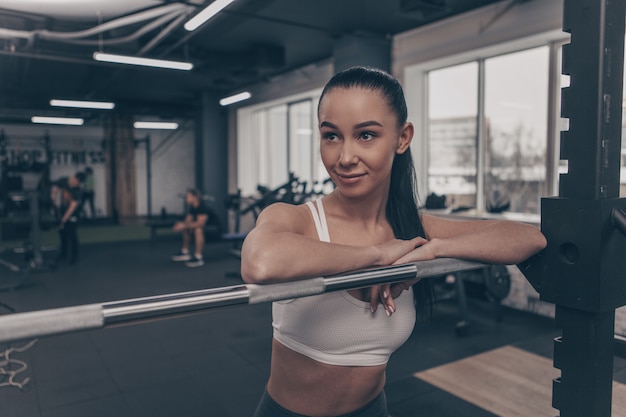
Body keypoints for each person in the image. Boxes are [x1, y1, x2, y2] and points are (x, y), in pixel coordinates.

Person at [240, 66, 547, 417]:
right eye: (332, 136)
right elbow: (259, 262)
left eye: (366, 135)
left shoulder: (412, 228)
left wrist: (433, 250)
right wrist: (375, 256)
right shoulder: (298, 220)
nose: (344, 157)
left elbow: (528, 238)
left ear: (402, 138)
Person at [171, 188, 210, 268]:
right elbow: (188, 221)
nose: (186, 198)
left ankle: (198, 257)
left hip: (213, 229)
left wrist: (185, 225)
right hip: (201, 226)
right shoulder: (192, 207)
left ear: (195, 197)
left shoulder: (202, 206)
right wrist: (181, 225)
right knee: (187, 227)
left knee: (198, 229)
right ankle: (185, 252)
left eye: (188, 196)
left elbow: (201, 223)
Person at [54, 175, 82, 265]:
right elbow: (55, 187)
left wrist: (63, 220)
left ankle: (74, 256)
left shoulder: (77, 191)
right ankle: (63, 254)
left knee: (72, 235)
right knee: (62, 235)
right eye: (74, 180)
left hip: (72, 216)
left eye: (77, 182)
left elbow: (72, 207)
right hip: (61, 212)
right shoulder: (64, 182)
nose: (74, 182)